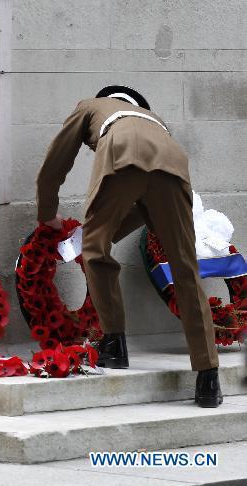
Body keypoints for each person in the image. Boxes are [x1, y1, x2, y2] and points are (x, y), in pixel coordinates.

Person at [36, 85, 222, 408]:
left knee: (94, 249)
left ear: (108, 99)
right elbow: (146, 203)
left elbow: (55, 162)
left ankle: (114, 343)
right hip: (174, 164)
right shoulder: (154, 119)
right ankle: (208, 376)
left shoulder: (90, 106)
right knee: (185, 267)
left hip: (120, 151)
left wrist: (48, 214)